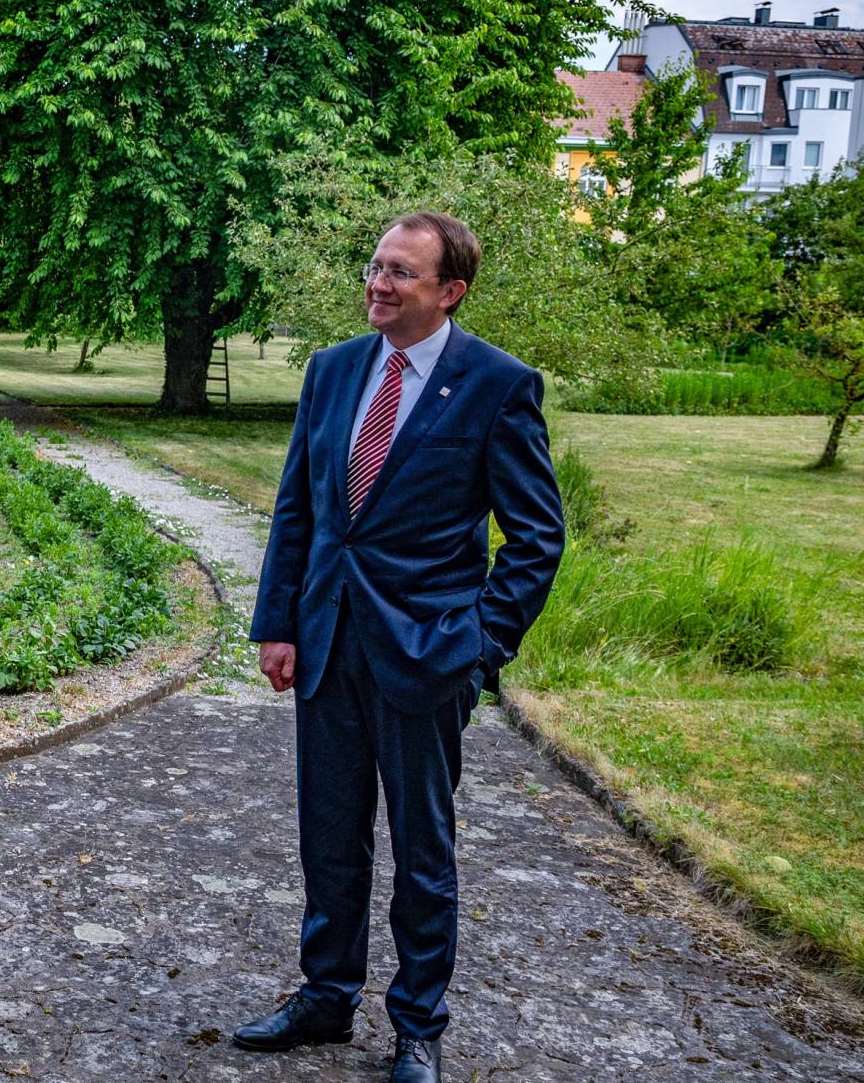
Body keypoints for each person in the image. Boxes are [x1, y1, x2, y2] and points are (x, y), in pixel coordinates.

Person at [237, 212, 564, 1083]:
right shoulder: (333, 369)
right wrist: (278, 622)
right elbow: (300, 506)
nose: (378, 284)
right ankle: (324, 997)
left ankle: (419, 1024)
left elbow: (535, 538)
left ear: (450, 291)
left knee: (424, 849)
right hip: (328, 639)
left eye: (401, 274)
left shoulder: (497, 384)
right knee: (330, 834)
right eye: (376, 267)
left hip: (429, 654)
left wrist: (480, 646)